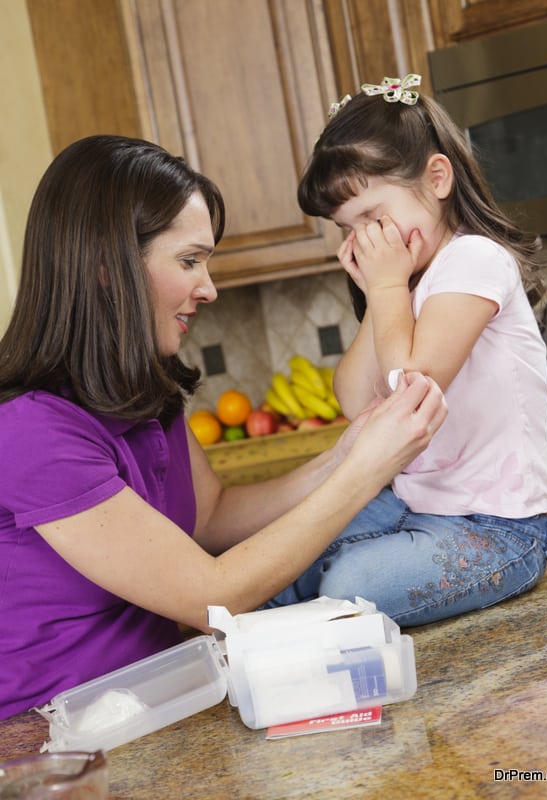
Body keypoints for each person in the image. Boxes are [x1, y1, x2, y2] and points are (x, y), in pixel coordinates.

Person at [0, 134, 446, 719]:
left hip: (161, 706)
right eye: (189, 261)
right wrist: (364, 474)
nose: (208, 288)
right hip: (55, 741)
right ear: (108, 267)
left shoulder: (140, 390)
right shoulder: (28, 431)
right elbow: (214, 596)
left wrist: (344, 453)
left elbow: (210, 520)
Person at [284, 74, 547, 627]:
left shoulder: (475, 259)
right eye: (347, 227)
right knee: (284, 555)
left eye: (372, 216)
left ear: (437, 178)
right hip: (417, 510)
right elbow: (358, 403)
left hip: (500, 529)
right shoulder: (407, 282)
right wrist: (382, 290)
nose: (363, 240)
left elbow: (412, 387)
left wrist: (387, 290)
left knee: (349, 586)